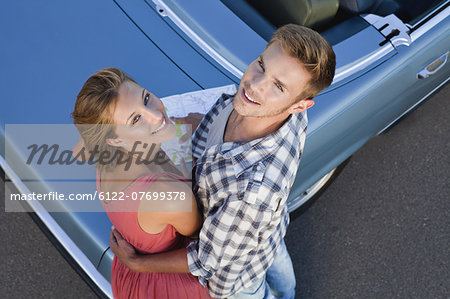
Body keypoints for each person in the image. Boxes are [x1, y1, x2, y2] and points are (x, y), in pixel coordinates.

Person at [110, 24, 336, 299]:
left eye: (277, 86)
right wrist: (183, 124)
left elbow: (206, 260)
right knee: (283, 280)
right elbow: (210, 123)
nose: (254, 85)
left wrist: (138, 264)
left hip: (238, 278)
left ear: (300, 105)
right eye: (262, 65)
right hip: (267, 233)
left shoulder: (252, 192)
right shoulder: (283, 109)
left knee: (261, 292)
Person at [72, 68, 211, 299]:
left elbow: (80, 149)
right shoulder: (171, 196)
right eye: (135, 118)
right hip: (169, 281)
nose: (156, 115)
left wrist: (177, 124)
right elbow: (203, 242)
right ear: (115, 139)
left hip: (133, 275)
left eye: (146, 98)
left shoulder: (101, 149)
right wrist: (200, 151)